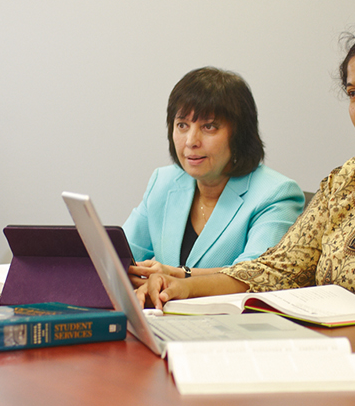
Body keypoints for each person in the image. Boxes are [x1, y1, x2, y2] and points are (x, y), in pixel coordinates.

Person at [139, 30, 355, 330]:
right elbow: (278, 270)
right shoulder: (348, 178)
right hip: (331, 358)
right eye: (353, 93)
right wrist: (184, 285)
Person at [122, 67, 304, 283]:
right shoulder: (163, 181)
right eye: (182, 125)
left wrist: (179, 276)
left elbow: (257, 275)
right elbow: (118, 257)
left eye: (208, 127)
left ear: (239, 135)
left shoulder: (276, 194)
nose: (191, 141)